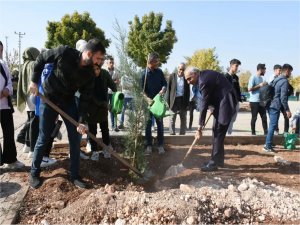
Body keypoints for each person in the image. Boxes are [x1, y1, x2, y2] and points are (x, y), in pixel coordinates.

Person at [29, 38, 106, 189]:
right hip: (49, 97)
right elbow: (41, 59)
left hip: (67, 102)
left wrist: (82, 121)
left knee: (75, 137)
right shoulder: (64, 52)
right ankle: (34, 173)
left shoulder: (90, 74)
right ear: (89, 54)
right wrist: (34, 82)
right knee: (44, 136)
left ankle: (75, 175)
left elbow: (85, 98)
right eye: (98, 58)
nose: (100, 62)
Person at [184, 66, 237, 171]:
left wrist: (200, 126)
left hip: (226, 103)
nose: (188, 82)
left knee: (218, 133)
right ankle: (219, 161)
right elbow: (212, 94)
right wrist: (212, 106)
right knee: (216, 132)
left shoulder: (203, 80)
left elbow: (204, 103)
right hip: (220, 103)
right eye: (186, 80)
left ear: (195, 74)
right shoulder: (203, 76)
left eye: (189, 78)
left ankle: (213, 164)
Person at [85, 61, 117, 161]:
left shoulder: (105, 74)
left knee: (105, 129)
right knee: (92, 131)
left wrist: (116, 97)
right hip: (91, 107)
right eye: (93, 69)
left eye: (97, 69)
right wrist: (105, 104)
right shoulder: (88, 76)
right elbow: (91, 95)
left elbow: (113, 87)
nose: (96, 71)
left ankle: (106, 148)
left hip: (103, 108)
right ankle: (94, 151)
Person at [0, 41, 25, 169]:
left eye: (1, 51)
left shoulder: (3, 65)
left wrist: (7, 90)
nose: (0, 53)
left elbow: (9, 82)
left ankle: (10, 160)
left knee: (9, 133)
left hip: (5, 106)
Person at [16, 47, 41, 158]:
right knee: (34, 122)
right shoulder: (33, 64)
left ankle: (26, 145)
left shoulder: (24, 65)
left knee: (30, 120)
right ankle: (32, 149)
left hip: (27, 95)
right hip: (33, 94)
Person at [141, 52, 167, 155]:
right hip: (148, 104)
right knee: (147, 125)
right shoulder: (144, 74)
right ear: (151, 61)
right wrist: (147, 99)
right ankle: (148, 145)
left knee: (160, 125)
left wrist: (163, 89)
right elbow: (140, 90)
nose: (158, 63)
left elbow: (164, 83)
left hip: (158, 104)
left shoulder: (159, 72)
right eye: (156, 61)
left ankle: (160, 145)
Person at [263, 64, 293, 152]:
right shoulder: (284, 81)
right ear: (287, 71)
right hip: (275, 105)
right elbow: (283, 98)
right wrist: (287, 110)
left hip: (270, 104)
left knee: (272, 125)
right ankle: (267, 146)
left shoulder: (276, 79)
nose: (290, 74)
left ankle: (268, 144)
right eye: (290, 72)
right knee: (272, 125)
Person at [165, 63, 189, 135]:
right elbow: (168, 89)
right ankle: (172, 134)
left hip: (182, 100)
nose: (181, 71)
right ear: (177, 68)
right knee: (172, 118)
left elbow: (188, 92)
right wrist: (167, 102)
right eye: (180, 69)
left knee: (183, 119)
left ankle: (182, 135)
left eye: (183, 69)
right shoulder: (172, 76)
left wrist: (187, 103)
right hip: (173, 100)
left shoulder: (186, 78)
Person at [248, 64, 268, 135]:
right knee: (254, 118)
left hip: (261, 101)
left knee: (264, 117)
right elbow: (249, 89)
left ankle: (266, 133)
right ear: (260, 69)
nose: (265, 71)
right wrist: (260, 85)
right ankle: (253, 133)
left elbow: (261, 89)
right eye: (264, 69)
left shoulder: (261, 78)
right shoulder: (253, 77)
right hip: (254, 101)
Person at [224, 59, 242, 135]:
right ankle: (224, 134)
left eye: (238, 66)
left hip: (235, 101)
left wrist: (239, 99)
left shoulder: (236, 77)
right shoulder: (225, 77)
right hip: (228, 102)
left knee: (232, 119)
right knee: (226, 118)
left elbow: (237, 89)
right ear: (231, 66)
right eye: (236, 66)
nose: (237, 68)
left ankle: (229, 134)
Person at [104, 56, 120, 132]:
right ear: (107, 63)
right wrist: (112, 81)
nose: (111, 64)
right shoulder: (104, 71)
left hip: (113, 93)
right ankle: (104, 126)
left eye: (112, 62)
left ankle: (114, 125)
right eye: (110, 62)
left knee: (114, 109)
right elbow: (104, 82)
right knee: (105, 109)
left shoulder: (116, 72)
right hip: (106, 92)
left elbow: (118, 82)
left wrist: (110, 82)